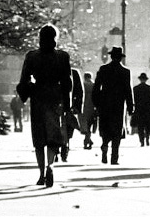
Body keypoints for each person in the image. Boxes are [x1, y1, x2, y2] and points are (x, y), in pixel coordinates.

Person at [17, 23, 72, 188]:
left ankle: (41, 173)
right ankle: (50, 165)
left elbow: (24, 79)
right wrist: (67, 105)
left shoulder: (32, 56)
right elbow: (67, 83)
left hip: (38, 96)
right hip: (55, 97)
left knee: (39, 138)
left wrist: (25, 93)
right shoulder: (63, 56)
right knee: (53, 135)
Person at [92, 45, 133, 164]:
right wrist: (131, 106)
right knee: (117, 130)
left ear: (111, 56)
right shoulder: (125, 71)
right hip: (119, 105)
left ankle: (104, 146)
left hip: (105, 104)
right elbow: (128, 90)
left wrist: (97, 102)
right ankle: (114, 156)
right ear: (120, 58)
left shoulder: (104, 69)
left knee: (105, 128)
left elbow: (96, 87)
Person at [60, 67, 84, 161]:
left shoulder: (74, 72)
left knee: (68, 129)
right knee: (61, 129)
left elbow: (79, 91)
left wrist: (77, 107)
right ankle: (62, 148)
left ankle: (64, 147)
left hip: (69, 107)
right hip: (57, 106)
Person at [132, 72, 150, 147]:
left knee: (140, 126)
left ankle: (142, 140)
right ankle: (147, 138)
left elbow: (134, 100)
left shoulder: (135, 89)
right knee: (148, 126)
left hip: (139, 110)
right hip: (148, 110)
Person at [79, 71, 96, 149]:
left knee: (85, 126)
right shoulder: (94, 85)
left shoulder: (82, 85)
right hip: (92, 108)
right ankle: (88, 140)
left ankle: (87, 140)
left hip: (84, 107)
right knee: (89, 125)